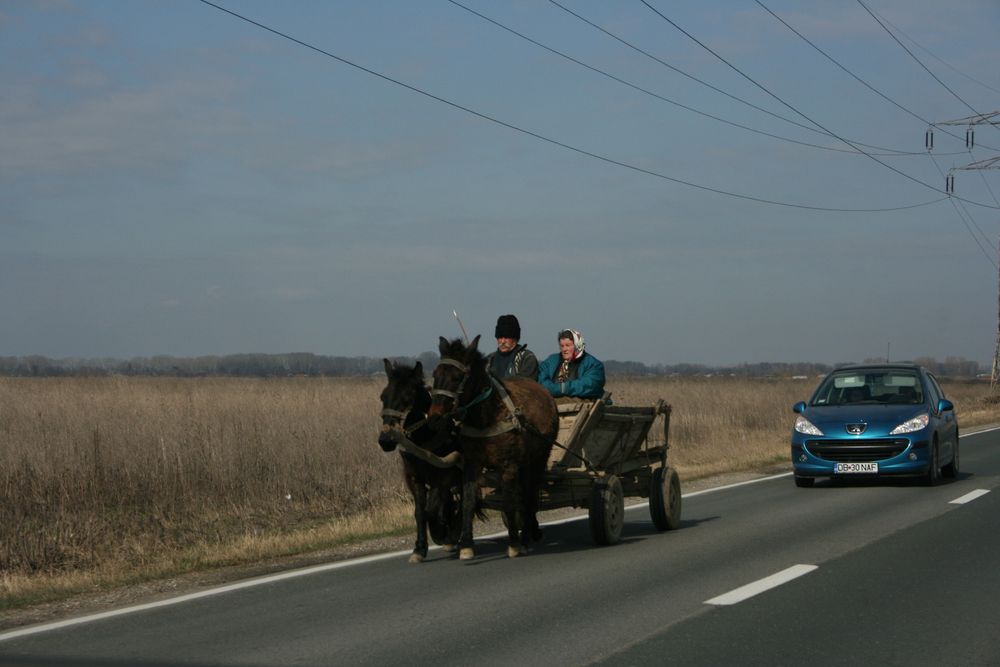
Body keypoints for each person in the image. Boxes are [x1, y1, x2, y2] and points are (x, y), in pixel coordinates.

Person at [538, 329, 606, 399]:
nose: (564, 349)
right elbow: (540, 377)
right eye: (562, 346)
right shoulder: (551, 361)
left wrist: (562, 389)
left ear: (578, 345)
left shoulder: (593, 365)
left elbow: (590, 385)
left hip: (584, 403)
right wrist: (550, 389)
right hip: (551, 401)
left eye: (568, 345)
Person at [484, 314, 539, 380]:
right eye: (500, 337)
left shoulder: (527, 358)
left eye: (507, 337)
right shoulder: (489, 360)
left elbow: (525, 386)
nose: (503, 341)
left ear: (516, 339)